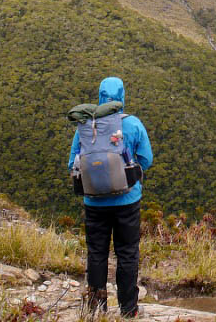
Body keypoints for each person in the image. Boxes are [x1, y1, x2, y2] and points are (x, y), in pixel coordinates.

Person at [69, 77, 153, 317]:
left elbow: (71, 164)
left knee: (96, 252)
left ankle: (96, 308)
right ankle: (129, 309)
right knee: (127, 253)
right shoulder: (133, 124)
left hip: (94, 203)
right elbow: (147, 160)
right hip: (127, 201)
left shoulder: (85, 126)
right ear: (123, 96)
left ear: (99, 96)